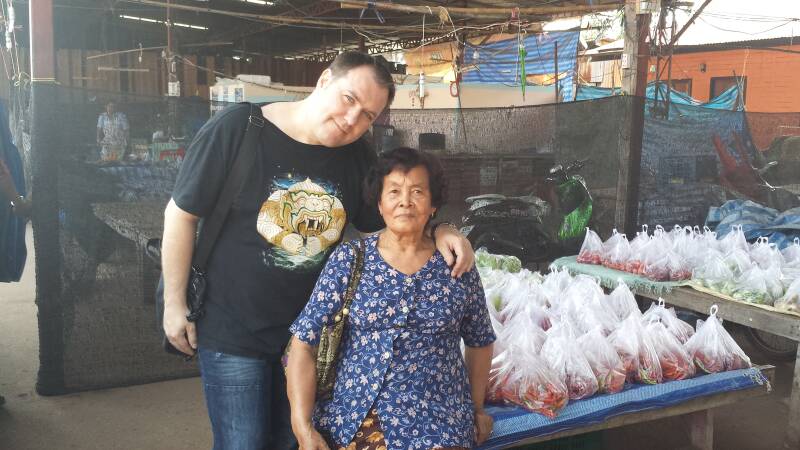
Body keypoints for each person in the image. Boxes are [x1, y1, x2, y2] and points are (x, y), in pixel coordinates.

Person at [161, 51, 475, 450]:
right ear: (324, 80)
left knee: (297, 439)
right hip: (232, 327)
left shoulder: (357, 156)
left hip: (309, 339)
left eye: (368, 115)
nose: (352, 120)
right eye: (349, 99)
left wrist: (440, 228)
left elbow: (389, 220)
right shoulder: (239, 128)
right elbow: (181, 214)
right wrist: (174, 303)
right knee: (242, 442)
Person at [286, 147, 495, 450]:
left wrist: (477, 408)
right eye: (394, 191)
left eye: (418, 192)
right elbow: (304, 343)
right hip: (357, 417)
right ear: (380, 204)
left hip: (441, 420)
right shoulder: (350, 259)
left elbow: (480, 339)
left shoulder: (456, 262)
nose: (405, 201)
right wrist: (302, 426)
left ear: (433, 205)